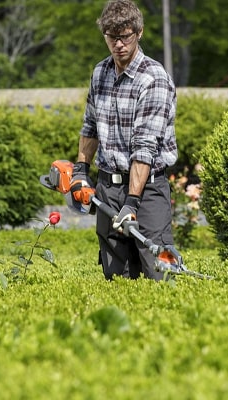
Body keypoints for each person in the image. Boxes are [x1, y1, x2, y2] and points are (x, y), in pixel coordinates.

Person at [70, 0, 178, 281]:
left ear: (139, 33)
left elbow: (145, 147)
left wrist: (132, 202)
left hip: (148, 193)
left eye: (125, 36)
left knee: (160, 273)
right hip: (108, 189)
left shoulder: (153, 79)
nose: (118, 44)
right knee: (115, 276)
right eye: (111, 37)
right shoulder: (100, 73)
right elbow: (90, 126)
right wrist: (81, 172)